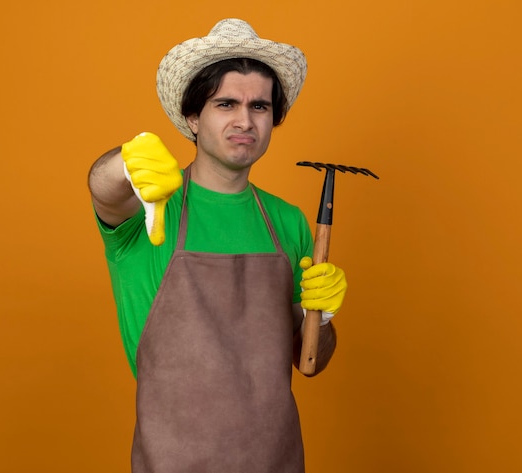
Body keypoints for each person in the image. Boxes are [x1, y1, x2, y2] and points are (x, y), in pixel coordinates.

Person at [88, 18, 348, 473]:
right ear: (192, 117)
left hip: (276, 461)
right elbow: (103, 191)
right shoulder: (152, 208)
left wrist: (321, 320)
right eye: (225, 103)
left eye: (260, 107)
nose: (244, 121)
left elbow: (308, 363)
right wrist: (125, 163)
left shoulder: (288, 222)